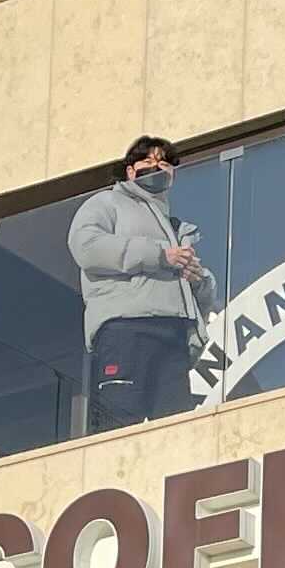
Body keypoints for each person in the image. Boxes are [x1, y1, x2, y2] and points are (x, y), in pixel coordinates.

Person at [69, 133, 206, 424]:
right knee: (118, 421)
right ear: (130, 171)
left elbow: (202, 295)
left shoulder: (176, 227)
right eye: (148, 161)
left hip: (173, 335)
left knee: (175, 429)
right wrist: (158, 255)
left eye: (164, 163)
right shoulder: (108, 202)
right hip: (126, 328)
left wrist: (199, 280)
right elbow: (86, 246)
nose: (156, 168)